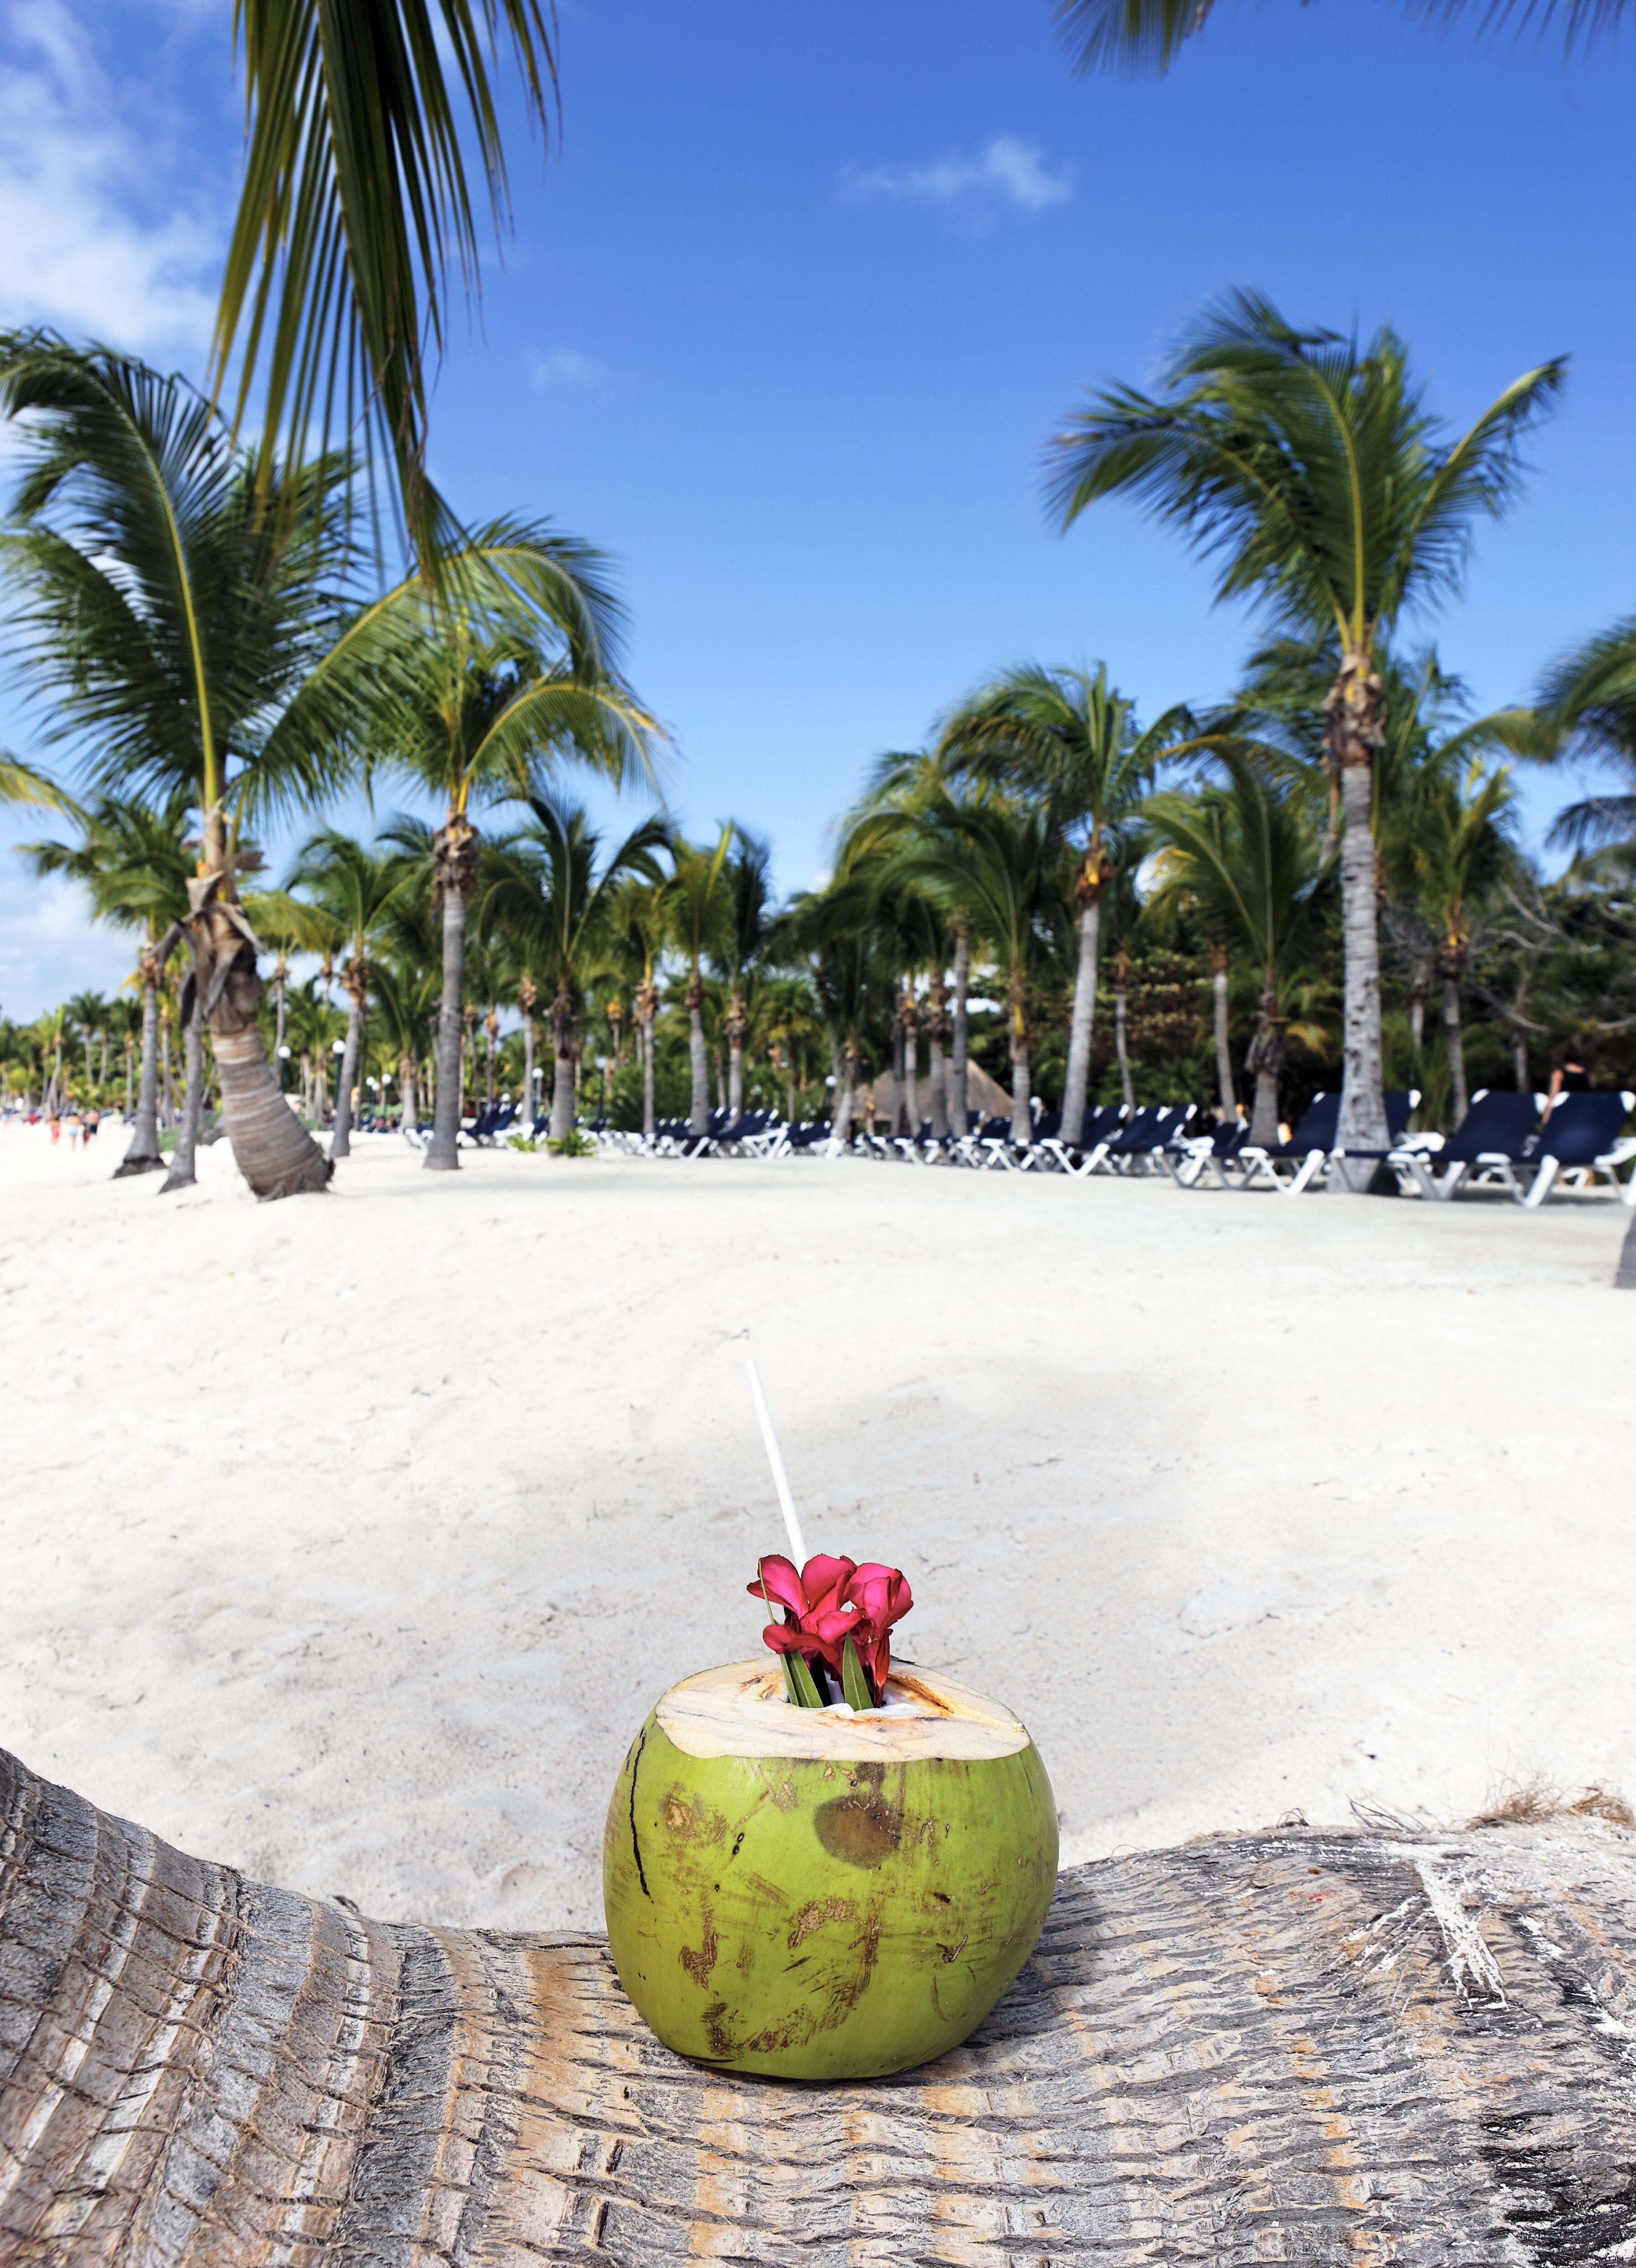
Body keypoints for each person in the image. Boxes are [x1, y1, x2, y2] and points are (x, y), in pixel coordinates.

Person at [1543, 1051, 1591, 1122]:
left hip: (1566, 1113)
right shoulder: (1587, 1074)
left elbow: (1554, 1095)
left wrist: (1547, 1115)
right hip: (1584, 1112)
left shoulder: (1559, 1074)